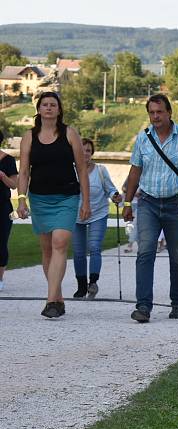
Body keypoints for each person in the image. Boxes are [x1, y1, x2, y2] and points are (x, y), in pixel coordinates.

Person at [122, 94, 178, 323]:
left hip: (177, 203)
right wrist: (128, 202)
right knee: (145, 252)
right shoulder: (143, 138)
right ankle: (143, 306)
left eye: (159, 112)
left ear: (169, 113)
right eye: (151, 112)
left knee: (177, 256)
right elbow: (135, 170)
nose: (155, 117)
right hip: (148, 201)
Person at [15, 92, 91, 318]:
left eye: (53, 105)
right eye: (45, 105)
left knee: (60, 242)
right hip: (39, 198)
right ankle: (57, 298)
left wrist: (86, 200)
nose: (49, 108)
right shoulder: (29, 136)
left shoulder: (70, 134)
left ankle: (50, 301)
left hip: (67, 197)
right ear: (38, 109)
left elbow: (82, 169)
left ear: (59, 110)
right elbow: (24, 171)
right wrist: (21, 198)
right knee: (47, 248)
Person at [72, 138, 122, 299]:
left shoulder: (100, 170)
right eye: (82, 150)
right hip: (75, 215)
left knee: (94, 246)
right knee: (78, 252)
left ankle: (92, 283)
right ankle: (81, 286)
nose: (85, 153)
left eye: (88, 150)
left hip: (97, 213)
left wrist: (115, 196)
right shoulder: (70, 170)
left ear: (92, 153)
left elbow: (110, 188)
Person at [0, 130, 19, 291]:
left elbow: (14, 184)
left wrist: (2, 176)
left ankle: (0, 279)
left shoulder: (8, 160)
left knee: (1, 242)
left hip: (3, 207)